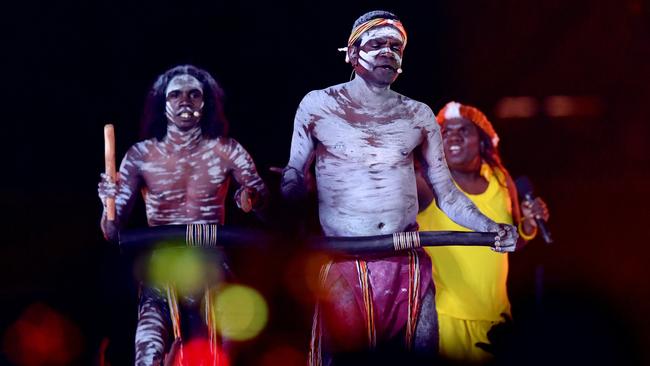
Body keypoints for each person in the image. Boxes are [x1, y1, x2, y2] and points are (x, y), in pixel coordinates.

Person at [280, 11, 517, 365]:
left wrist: (490, 227)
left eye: (396, 46)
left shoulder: (418, 115)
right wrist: (290, 190)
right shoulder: (318, 105)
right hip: (345, 263)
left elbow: (447, 194)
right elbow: (293, 174)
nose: (388, 53)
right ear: (352, 51)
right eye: (377, 44)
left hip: (406, 264)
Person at [97, 64, 268, 365]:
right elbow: (112, 231)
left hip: (213, 269)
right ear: (163, 103)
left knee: (231, 351)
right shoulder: (141, 155)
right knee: (147, 354)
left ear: (206, 102)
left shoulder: (227, 151)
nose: (185, 102)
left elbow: (265, 206)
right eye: (175, 95)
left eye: (194, 95)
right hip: (161, 273)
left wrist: (250, 199)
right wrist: (107, 202)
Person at [416, 101, 549, 364]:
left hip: (497, 319)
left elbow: (514, 241)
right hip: (445, 318)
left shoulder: (501, 180)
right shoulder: (425, 182)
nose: (453, 135)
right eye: (445, 131)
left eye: (463, 130)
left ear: (483, 140)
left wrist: (529, 225)